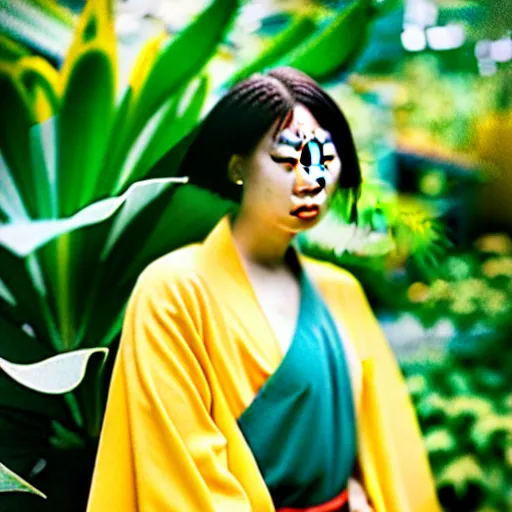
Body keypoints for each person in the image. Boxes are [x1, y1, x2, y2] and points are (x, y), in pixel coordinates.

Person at [87, 67, 441, 512]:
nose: (312, 179)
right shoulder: (172, 292)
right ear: (236, 166)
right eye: (288, 160)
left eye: (324, 159)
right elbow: (179, 476)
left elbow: (382, 445)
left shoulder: (341, 291)